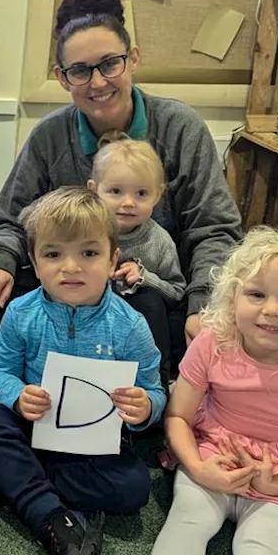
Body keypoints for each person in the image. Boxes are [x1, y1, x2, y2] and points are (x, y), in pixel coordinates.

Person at [89, 228, 278, 555]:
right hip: (213, 455)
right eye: (256, 294)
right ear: (233, 299)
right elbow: (177, 417)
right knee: (188, 517)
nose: (271, 310)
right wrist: (198, 468)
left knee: (261, 540)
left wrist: (277, 484)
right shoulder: (212, 342)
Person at [0, 0, 241, 348]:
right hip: (71, 284)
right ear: (63, 77)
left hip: (150, 292)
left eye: (110, 63)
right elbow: (12, 218)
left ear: (134, 60)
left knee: (193, 315)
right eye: (80, 71)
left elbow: (214, 228)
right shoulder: (49, 135)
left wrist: (203, 302)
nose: (97, 82)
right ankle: (60, 352)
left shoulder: (182, 127)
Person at [0, 187, 167, 555]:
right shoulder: (23, 313)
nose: (71, 267)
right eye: (54, 254)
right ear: (34, 262)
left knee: (135, 489)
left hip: (96, 444)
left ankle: (11, 481)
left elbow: (154, 389)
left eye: (89, 254)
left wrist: (145, 408)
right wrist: (17, 396)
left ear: (113, 260)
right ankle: (52, 518)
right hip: (34, 428)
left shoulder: (130, 325)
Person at [88, 136, 185, 385]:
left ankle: (158, 383)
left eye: (141, 193)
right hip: (88, 316)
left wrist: (144, 278)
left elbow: (176, 293)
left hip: (141, 326)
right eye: (116, 191)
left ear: (157, 196)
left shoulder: (159, 241)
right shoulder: (83, 231)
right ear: (93, 190)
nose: (128, 202)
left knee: (156, 305)